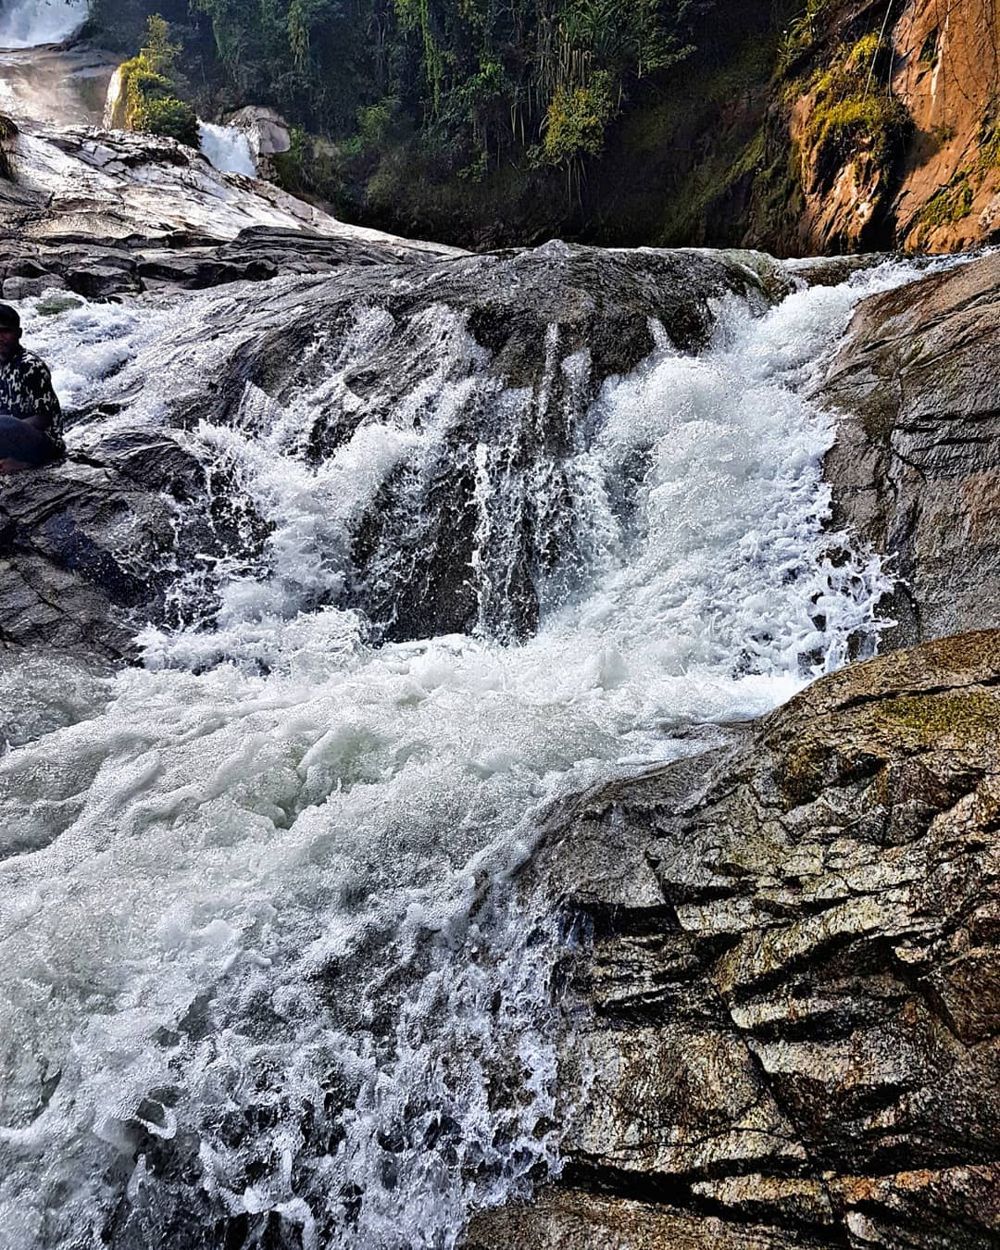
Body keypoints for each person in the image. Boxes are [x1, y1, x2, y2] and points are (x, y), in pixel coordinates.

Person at [0, 302, 65, 474]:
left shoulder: (30, 366)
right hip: (9, 439)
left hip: (44, 442)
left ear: (19, 333)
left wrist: (6, 431)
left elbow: (44, 419)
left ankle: (27, 464)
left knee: (3, 423)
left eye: (5, 331)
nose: (0, 337)